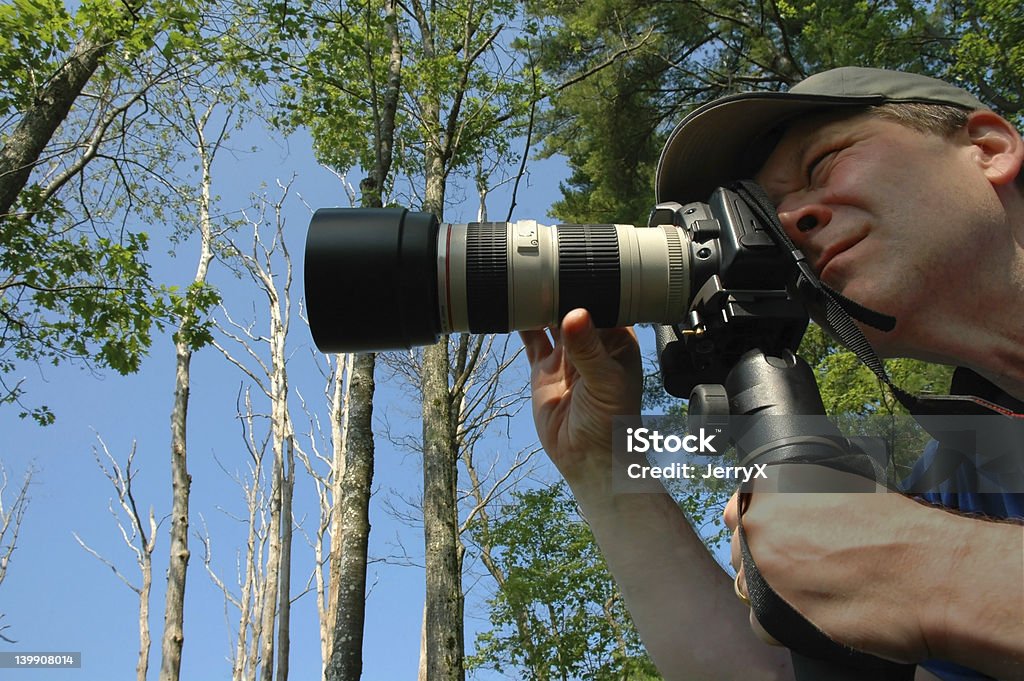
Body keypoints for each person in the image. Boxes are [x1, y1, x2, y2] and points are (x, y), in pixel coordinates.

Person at [520, 67, 1024, 681]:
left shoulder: (947, 527)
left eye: (823, 164)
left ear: (988, 148)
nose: (789, 224)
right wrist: (602, 464)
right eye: (765, 213)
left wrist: (938, 572)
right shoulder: (970, 482)